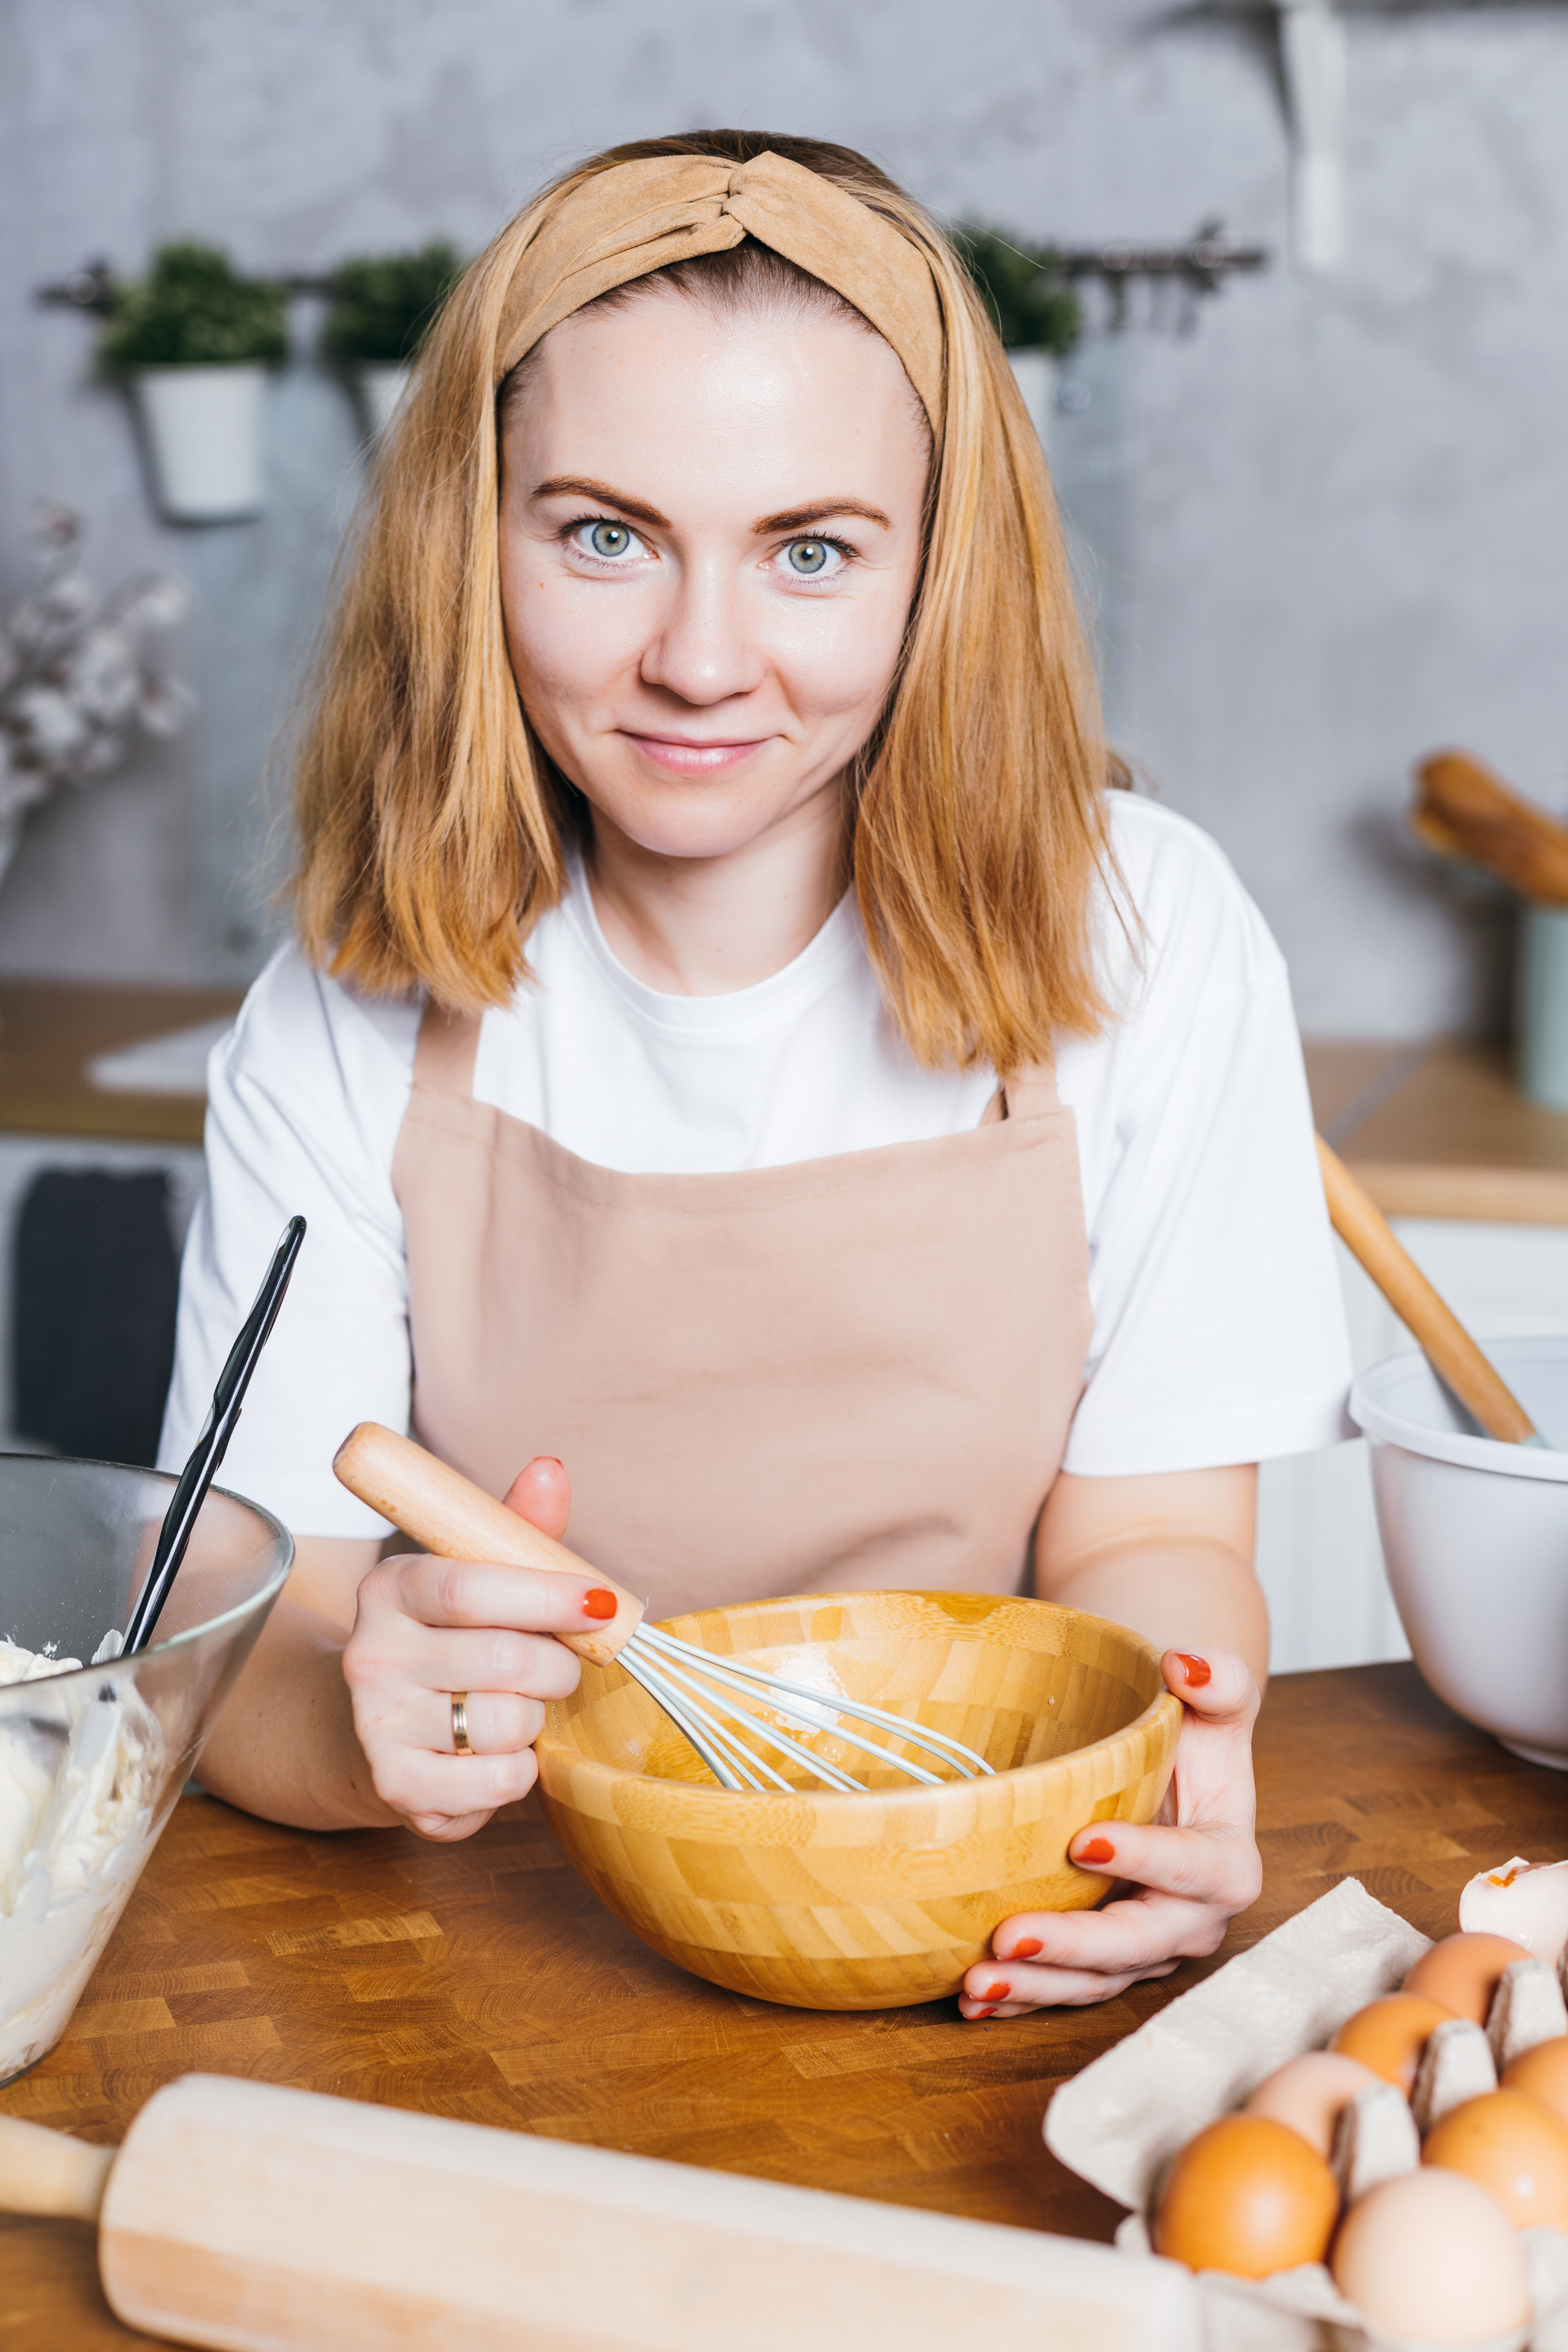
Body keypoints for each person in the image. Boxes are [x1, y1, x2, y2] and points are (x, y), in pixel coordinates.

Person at [159, 129, 1351, 2021]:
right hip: (519, 1957)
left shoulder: (1147, 933)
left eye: (810, 551)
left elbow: (1152, 1543)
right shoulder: (343, 1009)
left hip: (974, 1894)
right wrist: (355, 1716)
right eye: (604, 535)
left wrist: (1141, 1781)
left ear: (938, 571)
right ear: (476, 545)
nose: (701, 661)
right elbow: (247, 1647)